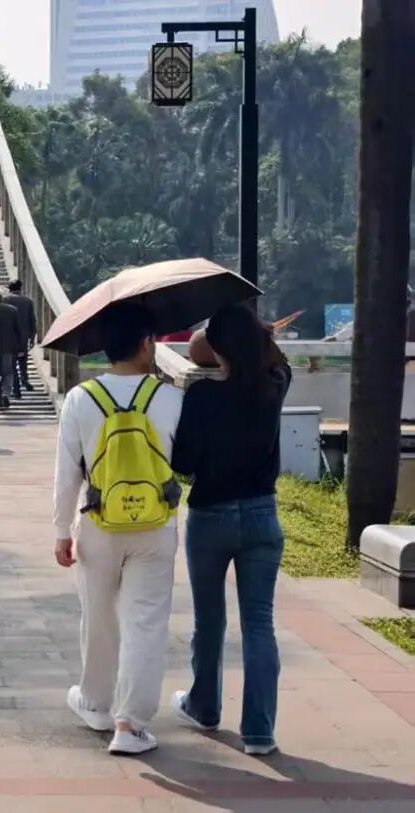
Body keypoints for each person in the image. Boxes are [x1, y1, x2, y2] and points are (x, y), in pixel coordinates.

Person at [54, 302, 183, 756]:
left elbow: (66, 473)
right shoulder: (169, 398)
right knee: (145, 620)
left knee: (99, 615)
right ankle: (130, 724)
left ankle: (95, 703)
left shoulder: (80, 398)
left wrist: (60, 532)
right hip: (155, 525)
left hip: (96, 522)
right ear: (147, 345)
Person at [170, 305, 292, 757]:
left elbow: (181, 464)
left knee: (211, 618)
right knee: (260, 624)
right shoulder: (276, 383)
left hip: (211, 516)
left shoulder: (202, 396)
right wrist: (248, 329)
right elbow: (272, 354)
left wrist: (207, 338)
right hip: (263, 516)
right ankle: (259, 732)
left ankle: (204, 706)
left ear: (216, 348)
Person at [5, 279, 38, 397]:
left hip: (10, 336)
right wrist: (33, 337)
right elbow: (32, 320)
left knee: (12, 364)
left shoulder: (6, 300)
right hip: (24, 337)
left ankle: (16, 390)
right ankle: (25, 379)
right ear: (20, 288)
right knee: (23, 360)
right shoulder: (28, 301)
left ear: (9, 288)